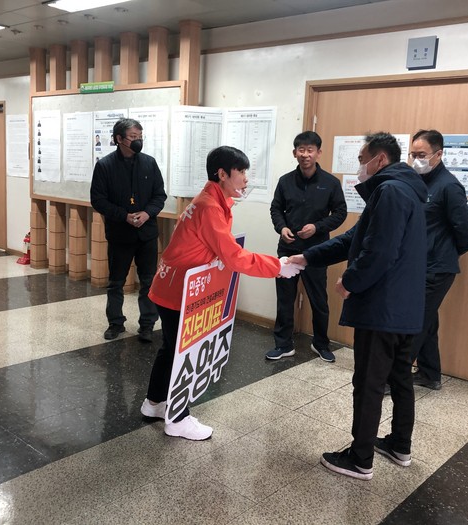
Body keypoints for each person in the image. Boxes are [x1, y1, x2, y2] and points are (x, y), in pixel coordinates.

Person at [290, 132, 427, 480]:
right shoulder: (402, 189)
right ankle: (399, 444)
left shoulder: (390, 191)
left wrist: (350, 282)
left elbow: (379, 251)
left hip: (383, 309)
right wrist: (308, 257)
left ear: (380, 159)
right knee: (399, 377)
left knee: (368, 381)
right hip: (405, 307)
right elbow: (355, 238)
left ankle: (360, 458)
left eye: (362, 159)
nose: (359, 167)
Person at [141, 146, 301, 441]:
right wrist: (277, 266)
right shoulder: (210, 207)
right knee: (184, 354)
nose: (245, 178)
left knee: (171, 349)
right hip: (179, 291)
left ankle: (155, 403)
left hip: (172, 286)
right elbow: (233, 256)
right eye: (241, 171)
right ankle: (178, 419)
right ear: (222, 174)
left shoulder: (212, 201)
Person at [266, 131, 347, 363]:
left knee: (319, 300)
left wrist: (317, 227)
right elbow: (276, 209)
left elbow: (340, 213)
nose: (305, 154)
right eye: (301, 150)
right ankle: (283, 344)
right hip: (288, 249)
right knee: (285, 299)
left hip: (316, 251)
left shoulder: (331, 183)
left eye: (310, 150)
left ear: (318, 153)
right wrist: (282, 227)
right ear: (295, 153)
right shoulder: (285, 181)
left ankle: (320, 343)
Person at [407, 129, 468, 390]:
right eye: (413, 155)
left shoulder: (449, 186)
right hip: (417, 264)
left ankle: (394, 377)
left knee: (415, 322)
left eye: (421, 155)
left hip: (437, 268)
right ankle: (430, 374)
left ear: (438, 155)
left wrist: (446, 252)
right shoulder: (417, 181)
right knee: (427, 320)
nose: (416, 160)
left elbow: (465, 232)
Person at [90, 118, 166, 343]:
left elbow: (159, 195)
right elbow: (98, 200)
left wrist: (147, 213)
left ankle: (147, 325)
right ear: (119, 139)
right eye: (133, 137)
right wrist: (124, 215)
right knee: (116, 282)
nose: (137, 141)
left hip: (146, 233)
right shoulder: (105, 166)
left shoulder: (149, 163)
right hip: (119, 234)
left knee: (148, 281)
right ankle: (115, 323)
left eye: (140, 137)